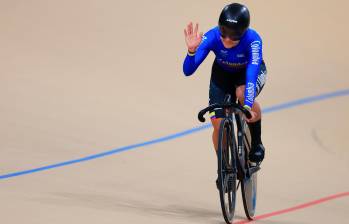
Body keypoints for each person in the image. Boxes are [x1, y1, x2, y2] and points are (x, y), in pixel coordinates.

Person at [183, 3, 267, 163]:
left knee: (242, 94)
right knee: (217, 122)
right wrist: (191, 51)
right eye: (224, 34)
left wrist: (247, 106)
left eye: (234, 37)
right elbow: (188, 70)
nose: (227, 40)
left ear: (243, 34)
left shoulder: (253, 40)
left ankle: (257, 143)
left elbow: (251, 76)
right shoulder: (212, 36)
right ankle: (223, 167)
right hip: (222, 74)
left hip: (247, 72)